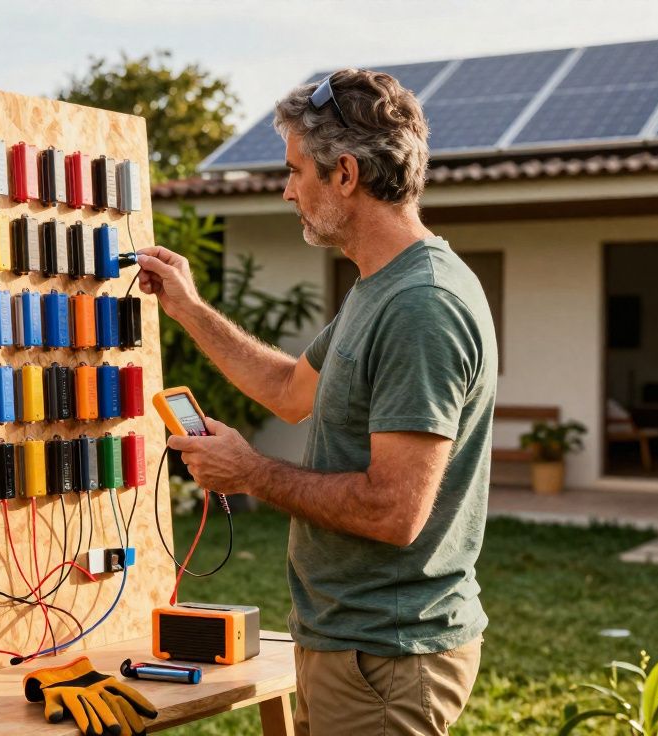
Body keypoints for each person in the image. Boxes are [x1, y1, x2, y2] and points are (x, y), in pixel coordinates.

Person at [136, 68, 498, 735]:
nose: (287, 190)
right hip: (348, 644)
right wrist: (188, 308)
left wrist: (250, 472)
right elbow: (288, 391)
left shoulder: (422, 305)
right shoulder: (378, 288)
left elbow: (394, 511)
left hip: (385, 656)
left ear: (346, 174)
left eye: (295, 170)